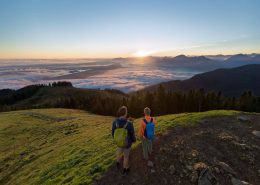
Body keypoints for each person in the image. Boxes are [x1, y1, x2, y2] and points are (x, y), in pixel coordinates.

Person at [112, 106, 136, 175]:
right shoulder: (129, 123)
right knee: (126, 156)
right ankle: (125, 168)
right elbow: (132, 134)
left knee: (118, 152)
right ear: (125, 113)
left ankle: (117, 162)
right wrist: (134, 140)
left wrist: (116, 139)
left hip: (118, 142)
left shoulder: (114, 122)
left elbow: (113, 132)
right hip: (127, 143)